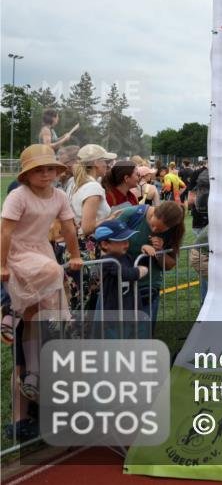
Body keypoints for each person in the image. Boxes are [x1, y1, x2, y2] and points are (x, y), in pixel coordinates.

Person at [0, 145, 84, 402]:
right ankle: (10, 311)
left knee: (35, 318)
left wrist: (76, 254)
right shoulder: (19, 196)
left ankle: (33, 375)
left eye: (50, 169)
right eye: (38, 170)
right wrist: (2, 265)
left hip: (41, 251)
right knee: (52, 272)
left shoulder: (59, 196)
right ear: (26, 174)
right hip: (16, 252)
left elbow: (69, 229)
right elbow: (5, 232)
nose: (45, 174)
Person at [115, 201, 184, 329]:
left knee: (144, 332)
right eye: (153, 225)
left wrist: (159, 251)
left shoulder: (174, 231)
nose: (154, 230)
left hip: (148, 288)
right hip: (121, 285)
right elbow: (107, 245)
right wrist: (140, 246)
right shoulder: (132, 214)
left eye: (160, 230)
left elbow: (169, 265)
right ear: (153, 213)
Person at [91, 220, 149, 316]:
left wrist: (145, 250)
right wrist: (141, 270)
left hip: (131, 308)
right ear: (105, 244)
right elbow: (126, 274)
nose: (127, 243)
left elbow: (138, 263)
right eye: (121, 240)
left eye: (127, 239)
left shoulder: (125, 256)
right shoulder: (108, 261)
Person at [70, 144, 117, 238]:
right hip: (91, 247)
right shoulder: (93, 187)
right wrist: (111, 218)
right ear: (96, 163)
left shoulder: (80, 183)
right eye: (105, 161)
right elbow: (87, 228)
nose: (107, 165)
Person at [188, 170, 210, 302]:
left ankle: (205, 305)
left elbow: (190, 201)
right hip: (213, 224)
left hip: (199, 222)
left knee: (206, 272)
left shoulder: (198, 172)